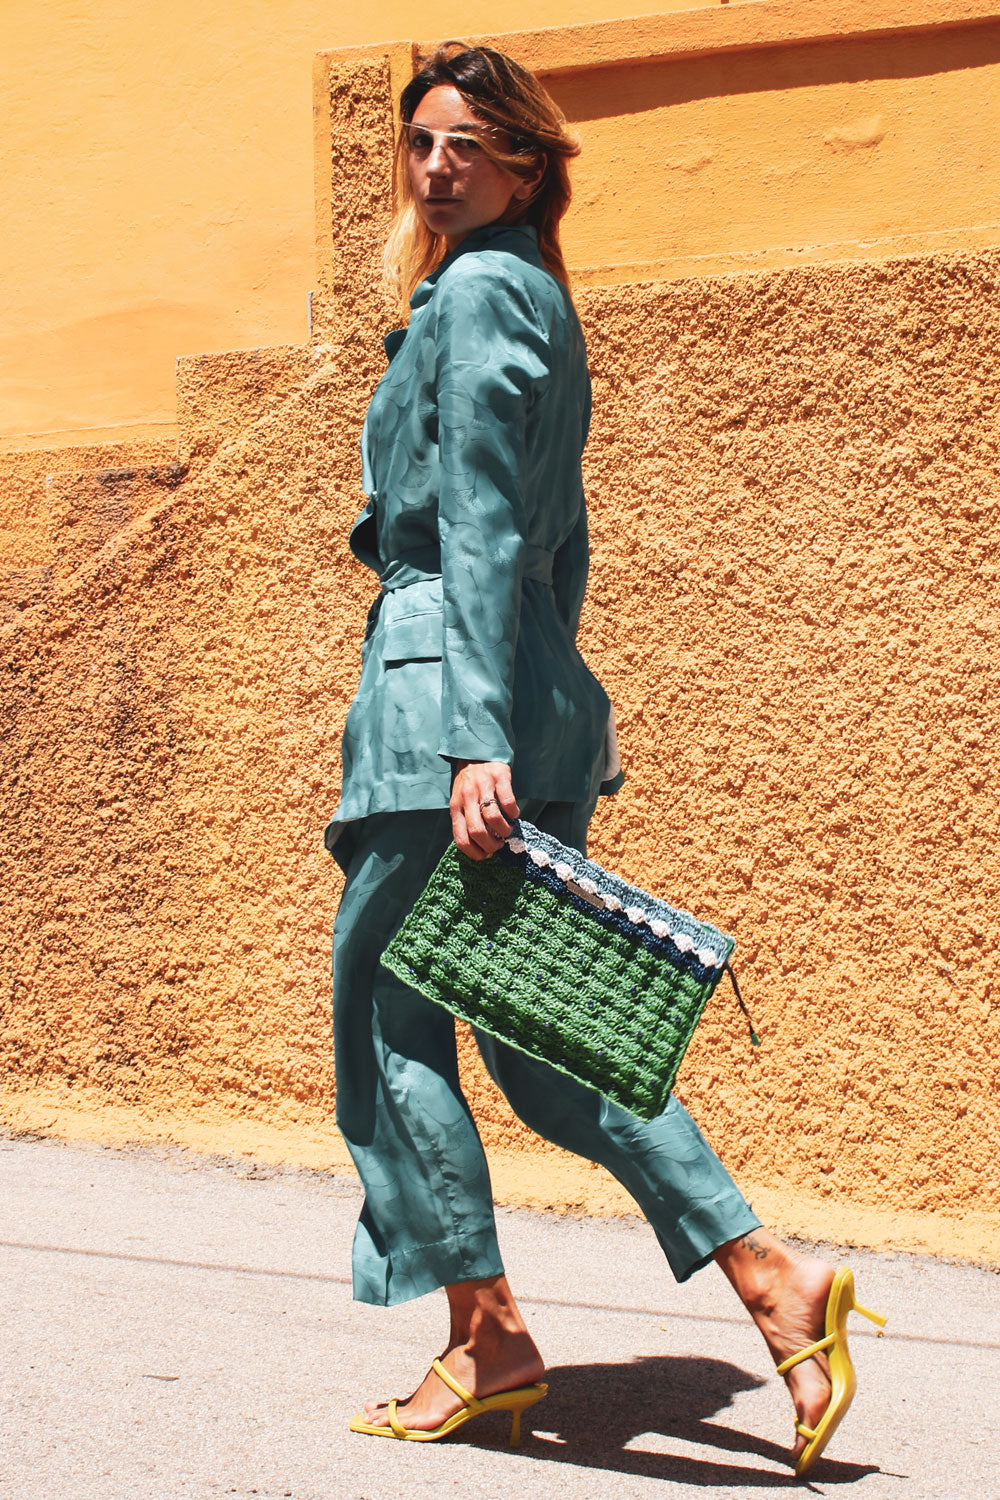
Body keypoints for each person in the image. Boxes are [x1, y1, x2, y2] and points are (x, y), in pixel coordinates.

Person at [324, 41, 884, 1477]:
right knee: (546, 1047)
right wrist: (538, 711)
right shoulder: (528, 299)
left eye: (468, 145)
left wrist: (473, 741)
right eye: (421, 142)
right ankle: (773, 1282)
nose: (437, 165)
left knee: (390, 1030)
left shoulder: (483, 294)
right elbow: (558, 557)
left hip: (441, 708)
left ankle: (488, 1341)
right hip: (518, 697)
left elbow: (494, 528)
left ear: (525, 163)